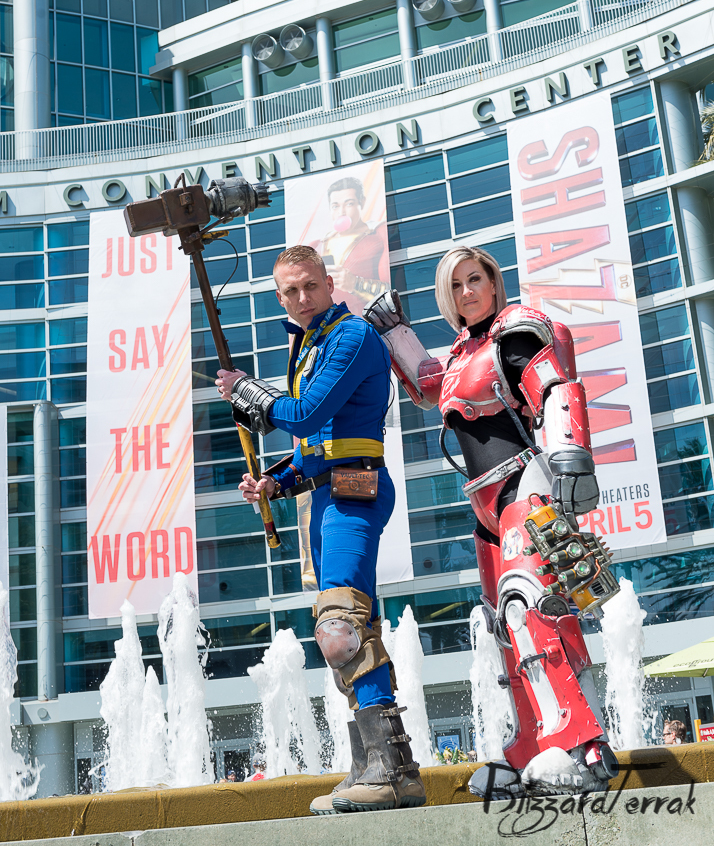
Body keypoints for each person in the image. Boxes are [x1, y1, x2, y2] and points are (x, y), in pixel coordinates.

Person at [363, 245, 620, 799]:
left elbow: (555, 385)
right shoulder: (462, 353)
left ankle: (579, 744)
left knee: (531, 607)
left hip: (525, 484)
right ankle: (531, 745)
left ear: (493, 281)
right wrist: (394, 332)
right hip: (485, 505)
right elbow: (428, 386)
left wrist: (572, 455)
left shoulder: (515, 332)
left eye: (474, 279)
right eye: (455, 286)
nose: (467, 292)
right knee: (504, 625)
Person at [215, 245, 425, 814]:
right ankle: (375, 767)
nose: (302, 297)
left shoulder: (351, 335)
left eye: (310, 285)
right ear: (279, 297)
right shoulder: (310, 344)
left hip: (357, 492)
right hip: (333, 493)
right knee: (353, 629)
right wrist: (276, 482)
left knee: (341, 626)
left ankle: (389, 771)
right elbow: (317, 446)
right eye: (291, 291)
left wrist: (247, 392)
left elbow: (307, 413)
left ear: (330, 284)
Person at [312, 177, 389, 315]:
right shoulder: (317, 246)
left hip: (369, 323)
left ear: (362, 202)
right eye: (335, 206)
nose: (341, 212)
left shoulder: (378, 235)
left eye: (349, 204)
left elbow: (391, 291)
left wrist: (355, 284)